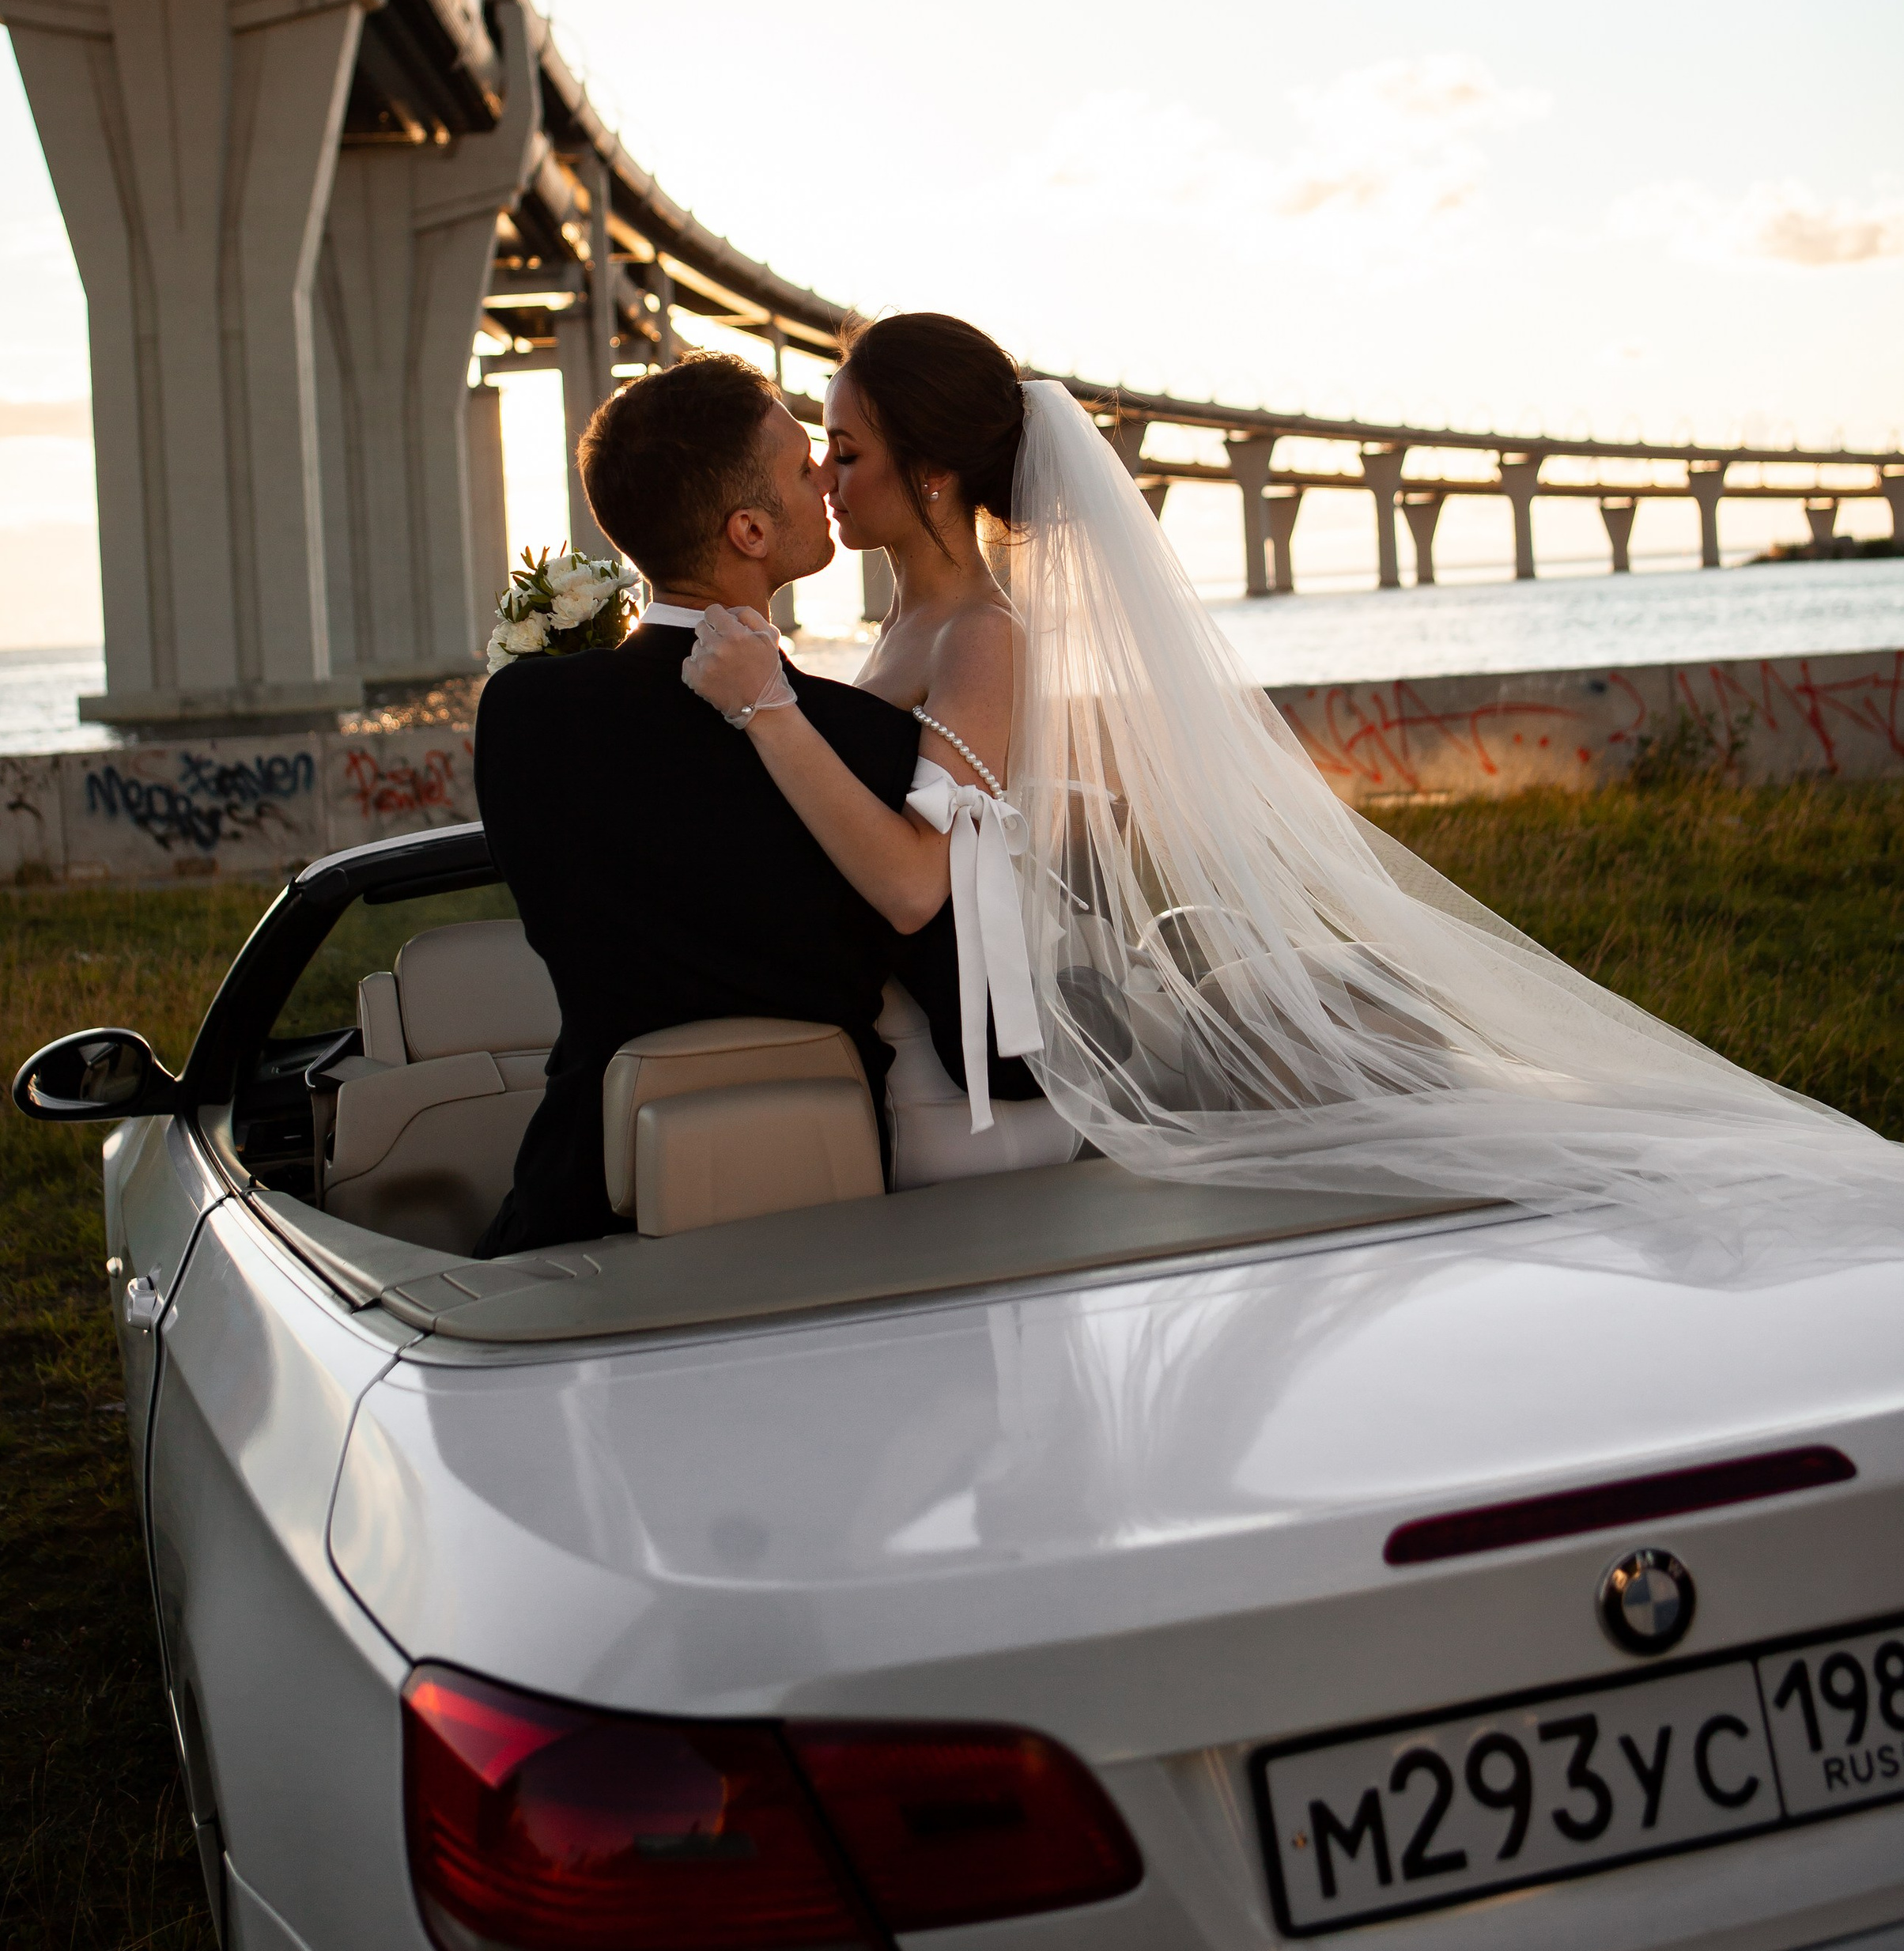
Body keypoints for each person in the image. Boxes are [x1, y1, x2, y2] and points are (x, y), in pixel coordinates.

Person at [686, 316, 1904, 1276]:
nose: (826, 478)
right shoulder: (917, 623)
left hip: (999, 1053)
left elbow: (916, 874)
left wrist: (772, 709)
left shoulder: (983, 639)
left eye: (845, 452)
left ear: (935, 472)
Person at [472, 354, 922, 1256]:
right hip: (834, 1202)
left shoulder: (525, 714)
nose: (827, 475)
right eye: (804, 467)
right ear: (750, 531)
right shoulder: (868, 741)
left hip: (586, 1201)